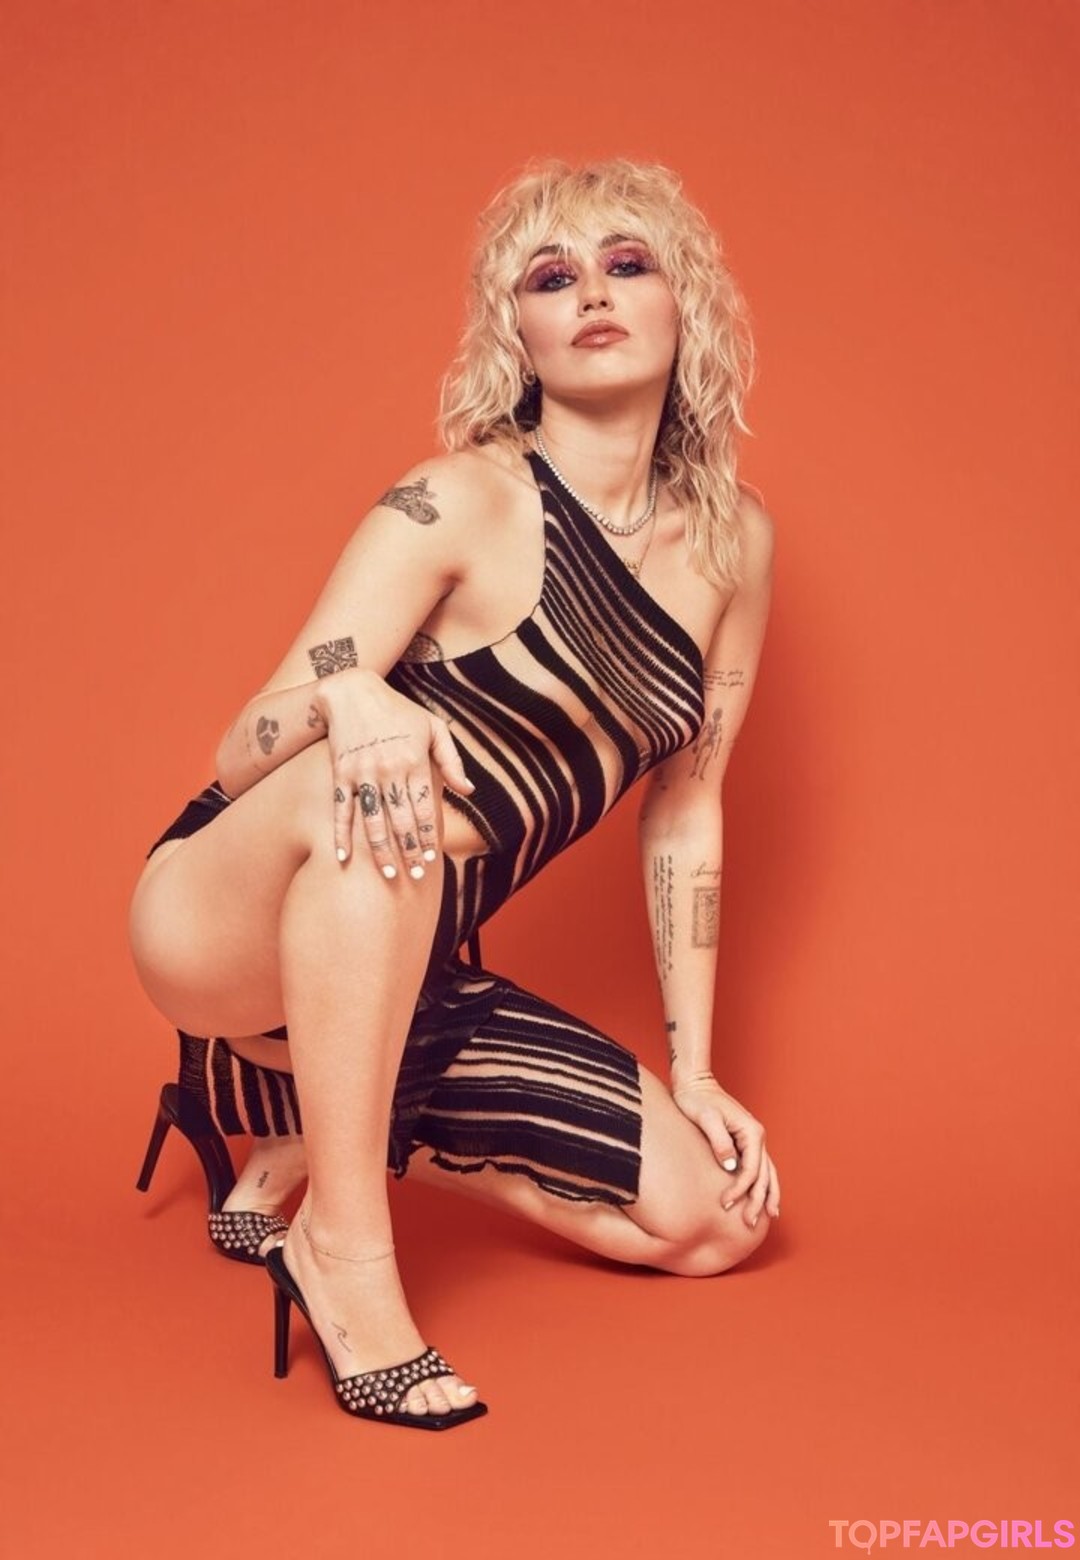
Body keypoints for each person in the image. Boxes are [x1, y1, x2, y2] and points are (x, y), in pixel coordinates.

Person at [129, 156, 780, 1432]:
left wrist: (697, 1072)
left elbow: (685, 809)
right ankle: (345, 1255)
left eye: (627, 263)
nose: (592, 292)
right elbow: (242, 744)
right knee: (377, 785)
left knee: (716, 1221)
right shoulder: (458, 498)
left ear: (685, 302)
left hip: (396, 953)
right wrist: (350, 700)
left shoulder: (733, 542)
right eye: (552, 275)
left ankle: (289, 1108)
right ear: (517, 334)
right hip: (219, 916)